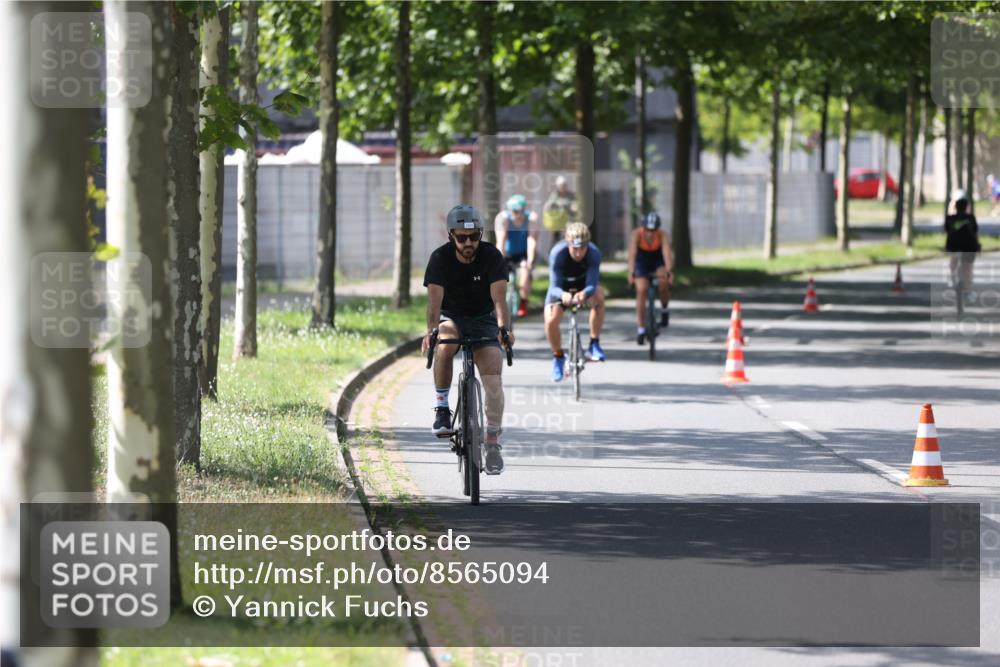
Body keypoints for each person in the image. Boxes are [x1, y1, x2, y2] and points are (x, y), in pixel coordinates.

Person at [422, 204, 515, 474]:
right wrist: (431, 331)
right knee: (445, 340)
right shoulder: (439, 258)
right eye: (462, 238)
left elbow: (499, 299)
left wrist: (503, 328)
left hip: (483, 318)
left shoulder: (491, 256)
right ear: (451, 235)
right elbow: (434, 303)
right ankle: (442, 409)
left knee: (493, 376)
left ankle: (493, 441)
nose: (468, 243)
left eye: (474, 236)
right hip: (452, 317)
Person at [544, 222, 606, 382]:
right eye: (574, 248)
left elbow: (592, 283)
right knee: (551, 320)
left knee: (599, 295)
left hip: (583, 286)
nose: (578, 253)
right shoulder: (558, 253)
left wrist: (584, 293)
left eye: (582, 248)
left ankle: (594, 343)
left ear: (588, 245)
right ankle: (558, 357)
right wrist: (563, 295)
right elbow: (554, 287)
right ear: (568, 243)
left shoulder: (594, 253)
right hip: (561, 288)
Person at [627, 212, 674, 344]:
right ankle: (641, 328)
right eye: (647, 230)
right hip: (642, 260)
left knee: (663, 282)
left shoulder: (662, 235)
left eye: (653, 230)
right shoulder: (636, 235)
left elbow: (666, 254)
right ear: (643, 228)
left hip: (657, 259)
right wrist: (631, 273)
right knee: (641, 290)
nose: (650, 233)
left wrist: (669, 271)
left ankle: (665, 309)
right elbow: (632, 256)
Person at [494, 194, 539, 318]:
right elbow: (501, 241)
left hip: (523, 253)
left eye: (518, 212)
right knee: (497, 277)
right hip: (507, 253)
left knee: (525, 272)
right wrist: (499, 261)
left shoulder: (532, 218)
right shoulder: (503, 218)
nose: (516, 215)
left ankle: (523, 302)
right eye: (513, 211)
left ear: (523, 210)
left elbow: (531, 240)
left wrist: (530, 260)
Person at [945, 191, 981, 291]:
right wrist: (978, 246)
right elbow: (975, 232)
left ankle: (952, 277)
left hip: (953, 246)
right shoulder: (971, 218)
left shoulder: (950, 218)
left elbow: (947, 230)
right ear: (967, 207)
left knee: (953, 260)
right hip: (969, 247)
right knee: (968, 267)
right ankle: (968, 287)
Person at [543, 175, 578, 248]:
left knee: (571, 231)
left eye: (564, 185)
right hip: (558, 221)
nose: (562, 187)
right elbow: (547, 207)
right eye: (561, 185)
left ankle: (572, 248)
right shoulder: (555, 195)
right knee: (555, 236)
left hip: (569, 220)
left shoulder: (571, 195)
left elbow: (575, 208)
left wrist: (568, 207)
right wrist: (554, 205)